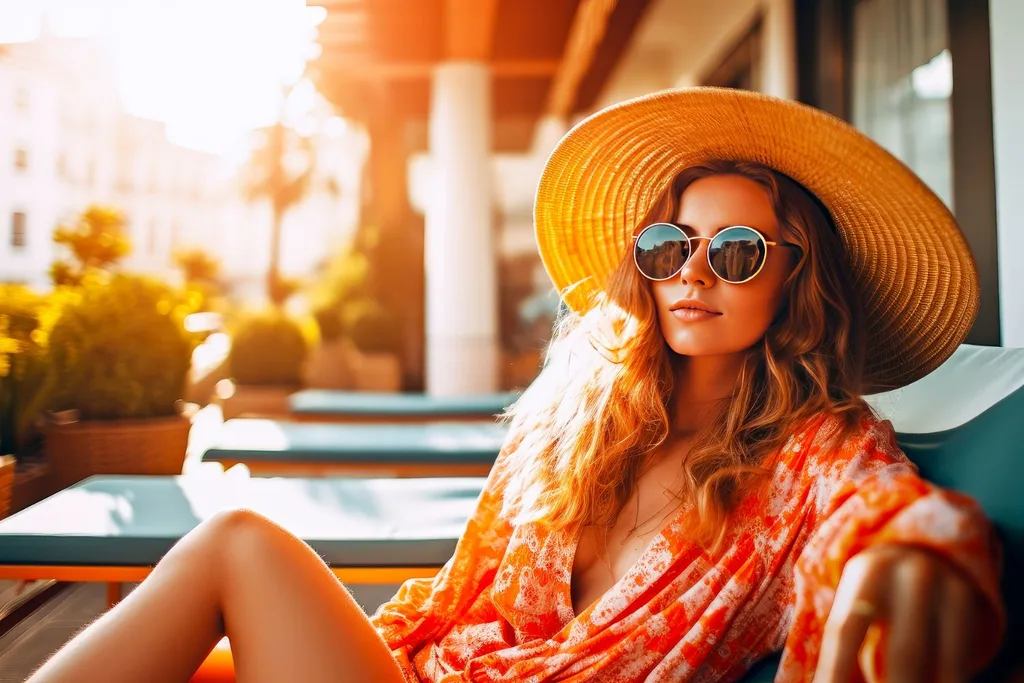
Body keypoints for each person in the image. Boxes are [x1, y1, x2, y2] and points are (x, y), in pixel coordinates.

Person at [28, 89, 1004, 683]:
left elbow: (887, 514)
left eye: (738, 250)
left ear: (797, 275)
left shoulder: (815, 450)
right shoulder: (593, 422)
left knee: (233, 541)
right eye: (668, 246)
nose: (693, 272)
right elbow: (458, 599)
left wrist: (919, 557)